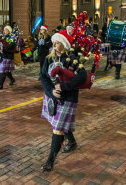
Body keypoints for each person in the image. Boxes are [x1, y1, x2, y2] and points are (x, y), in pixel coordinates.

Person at [40, 31, 87, 171]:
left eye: (58, 42)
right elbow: (43, 76)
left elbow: (82, 76)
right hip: (53, 97)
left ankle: (50, 162)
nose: (54, 44)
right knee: (59, 124)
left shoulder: (72, 59)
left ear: (64, 45)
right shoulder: (49, 58)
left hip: (68, 98)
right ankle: (71, 142)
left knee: (58, 129)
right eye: (54, 42)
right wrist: (51, 92)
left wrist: (64, 87)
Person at [0, 25, 16, 90]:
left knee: (3, 71)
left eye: (6, 30)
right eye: (4, 30)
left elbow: (11, 47)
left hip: (8, 57)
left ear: (9, 31)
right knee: (6, 71)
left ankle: (0, 85)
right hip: (1, 56)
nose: (4, 31)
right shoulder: (1, 37)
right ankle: (12, 79)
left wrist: (4, 48)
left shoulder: (12, 38)